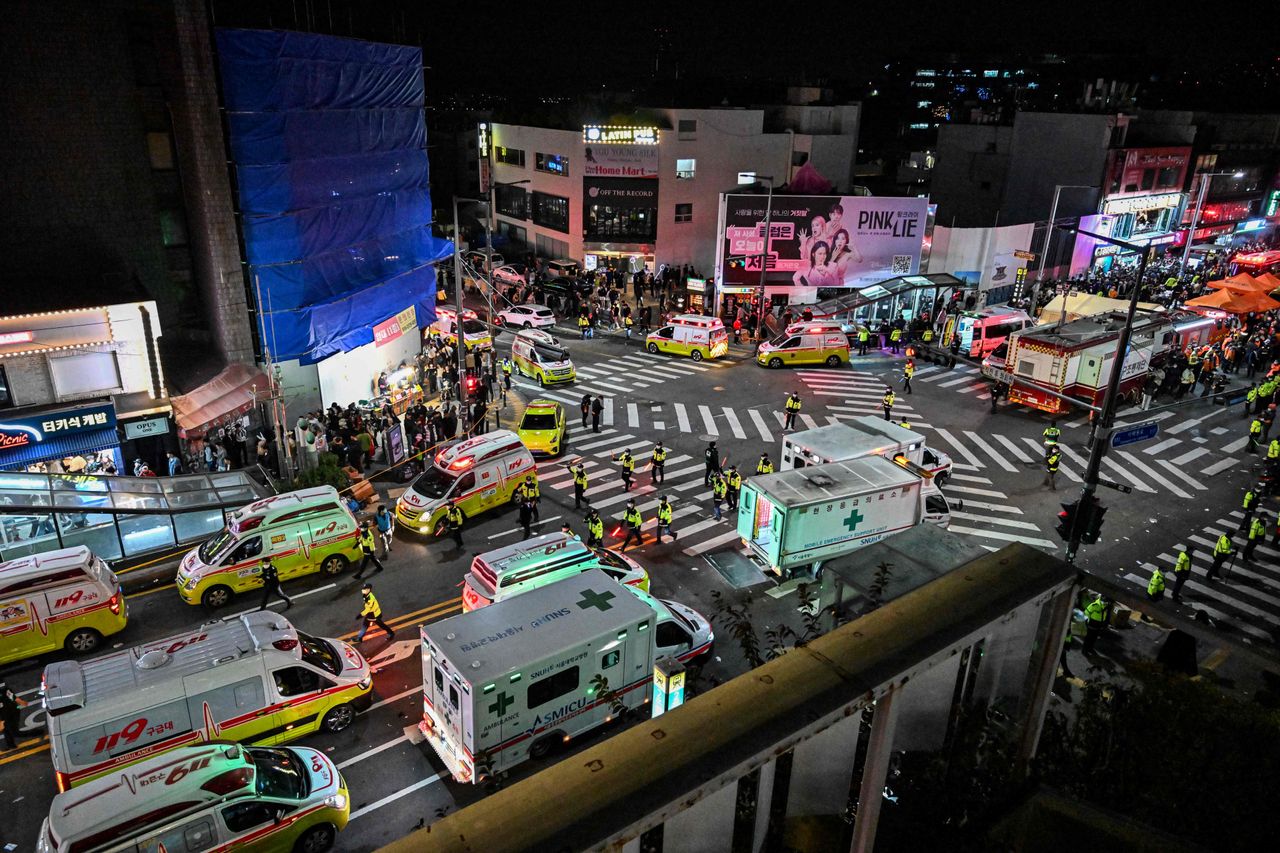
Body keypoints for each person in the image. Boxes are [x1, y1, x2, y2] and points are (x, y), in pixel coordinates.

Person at [0, 679, 29, 750]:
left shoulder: (4, 691)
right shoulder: (5, 690)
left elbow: (13, 698)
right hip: (8, 712)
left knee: (14, 733)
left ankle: (38, 732)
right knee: (6, 730)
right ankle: (11, 745)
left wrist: (2, 721)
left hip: (11, 713)